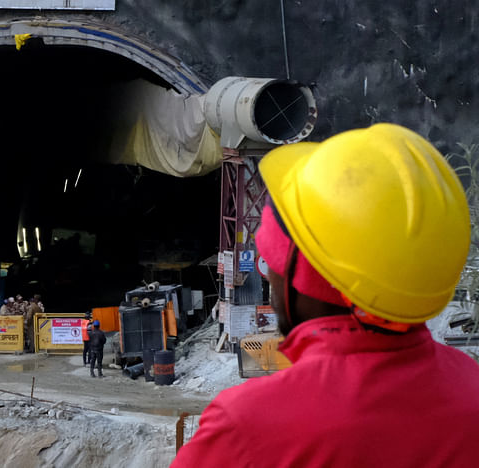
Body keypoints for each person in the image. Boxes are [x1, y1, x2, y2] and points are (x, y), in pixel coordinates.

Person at [172, 123, 479, 467]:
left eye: (272, 262)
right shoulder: (471, 391)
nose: (271, 280)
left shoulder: (245, 427)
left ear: (306, 283)